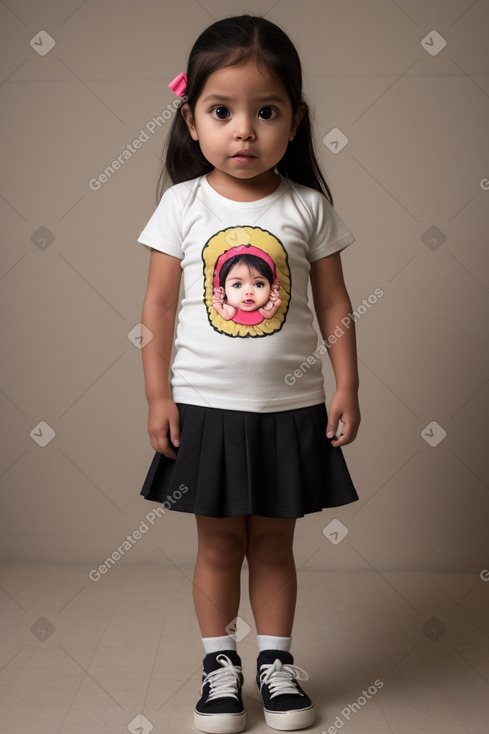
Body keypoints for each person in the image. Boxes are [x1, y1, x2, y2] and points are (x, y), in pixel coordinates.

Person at [138, 14, 361, 733]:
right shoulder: (182, 205)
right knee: (216, 544)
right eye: (221, 112)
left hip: (290, 407)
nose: (243, 131)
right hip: (204, 407)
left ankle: (275, 661)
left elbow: (334, 303)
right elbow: (158, 306)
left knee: (273, 542)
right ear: (191, 119)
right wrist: (156, 395)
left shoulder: (306, 206)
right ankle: (219, 667)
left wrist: (347, 385)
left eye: (265, 112)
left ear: (293, 121)